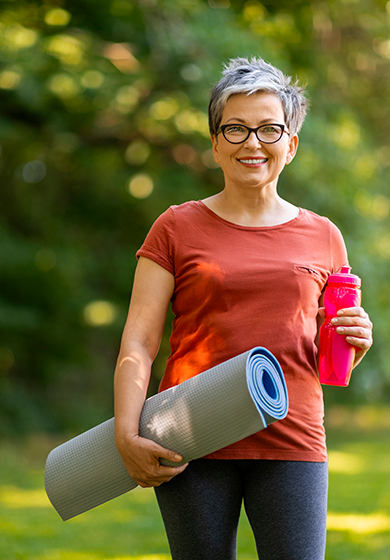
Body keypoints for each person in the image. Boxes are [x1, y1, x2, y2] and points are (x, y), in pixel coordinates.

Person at [113, 57, 374, 559]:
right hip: (189, 437)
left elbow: (326, 360)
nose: (252, 143)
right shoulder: (175, 227)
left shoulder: (324, 235)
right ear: (214, 143)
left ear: (290, 144)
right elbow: (138, 343)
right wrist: (126, 434)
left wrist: (355, 342)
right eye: (235, 129)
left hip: (293, 440)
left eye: (268, 129)